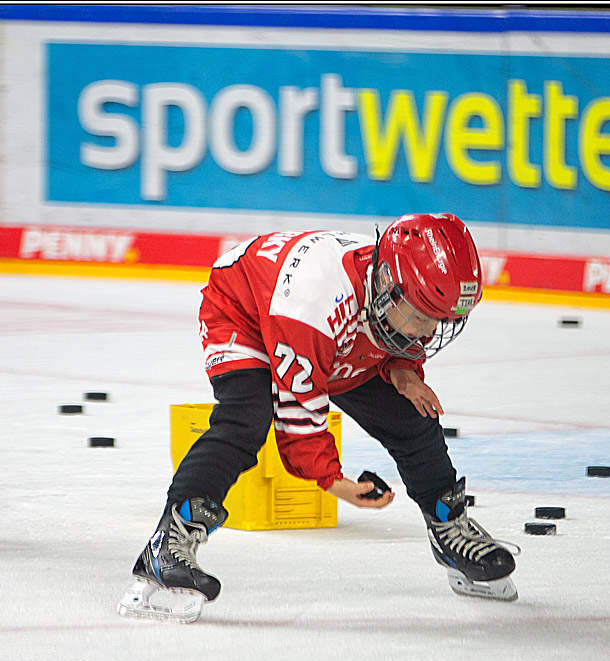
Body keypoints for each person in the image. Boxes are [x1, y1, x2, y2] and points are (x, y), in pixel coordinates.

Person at [118, 214, 520, 622]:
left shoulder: (393, 292)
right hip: (245, 312)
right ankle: (168, 542)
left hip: (336, 332)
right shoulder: (314, 302)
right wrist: (334, 481)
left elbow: (393, 335)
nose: (427, 330)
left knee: (411, 417)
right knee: (245, 421)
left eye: (439, 319)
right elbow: (299, 410)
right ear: (386, 285)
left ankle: (449, 529)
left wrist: (401, 367)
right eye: (422, 316)